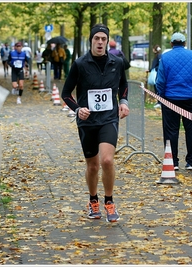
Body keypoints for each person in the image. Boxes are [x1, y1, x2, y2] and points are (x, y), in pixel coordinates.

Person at [61, 23, 129, 222]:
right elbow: (66, 93)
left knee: (107, 160)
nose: (100, 42)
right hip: (87, 121)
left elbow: (124, 85)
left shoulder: (117, 62)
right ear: (91, 40)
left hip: (109, 118)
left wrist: (123, 102)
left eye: (103, 39)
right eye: (96, 38)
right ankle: (93, 201)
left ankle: (109, 202)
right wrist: (77, 109)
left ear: (107, 41)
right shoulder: (80, 64)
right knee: (92, 166)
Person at [155, 32, 192, 171]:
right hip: (191, 99)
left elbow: (160, 81)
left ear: (171, 44)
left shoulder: (165, 57)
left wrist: (162, 95)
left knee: (171, 131)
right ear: (184, 43)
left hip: (170, 99)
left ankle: (173, 162)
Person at [146, 44, 162, 108]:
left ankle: (160, 102)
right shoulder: (157, 56)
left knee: (157, 88)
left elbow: (158, 65)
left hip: (157, 74)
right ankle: (158, 101)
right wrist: (150, 70)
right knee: (156, 88)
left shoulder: (159, 56)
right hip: (155, 73)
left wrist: (155, 69)